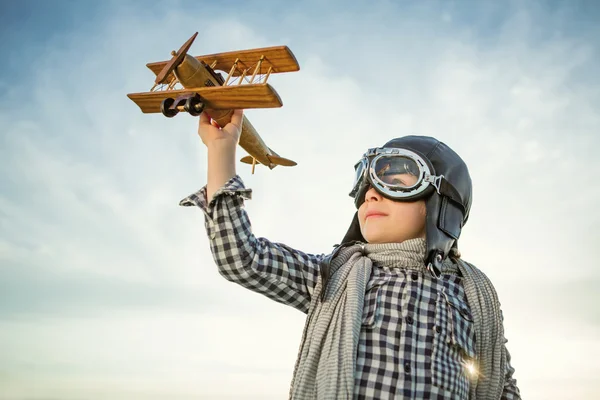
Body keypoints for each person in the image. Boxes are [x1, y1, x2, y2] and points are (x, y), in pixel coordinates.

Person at [179, 109, 521, 399]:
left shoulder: (474, 297)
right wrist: (221, 152)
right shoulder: (332, 276)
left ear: (442, 202)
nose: (370, 195)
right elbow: (242, 258)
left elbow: (501, 386)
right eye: (367, 184)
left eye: (396, 181)